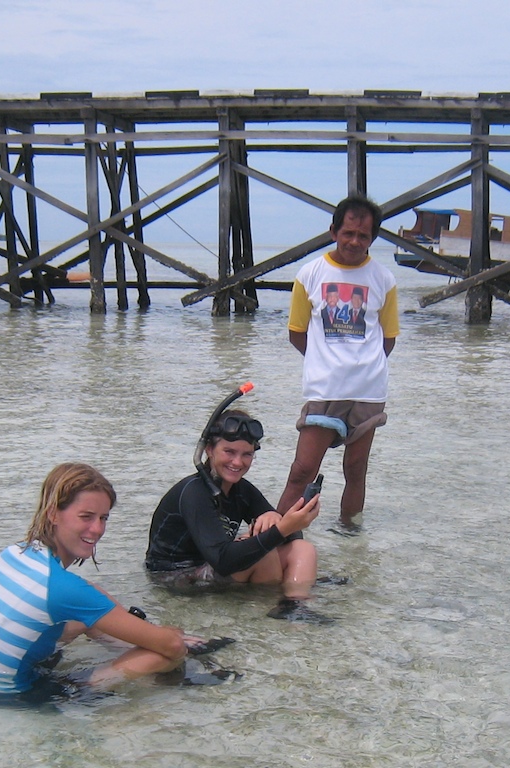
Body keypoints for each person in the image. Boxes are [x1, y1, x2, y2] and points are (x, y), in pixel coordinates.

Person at [0, 463, 225, 702]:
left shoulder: (14, 553)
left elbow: (84, 599)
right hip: (13, 697)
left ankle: (144, 640)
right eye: (86, 517)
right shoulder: (63, 587)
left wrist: (144, 631)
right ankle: (86, 686)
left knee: (91, 611)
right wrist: (170, 638)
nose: (97, 529)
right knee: (164, 653)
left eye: (103, 518)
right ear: (53, 514)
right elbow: (171, 647)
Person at [276, 194, 400, 530]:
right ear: (333, 232)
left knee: (356, 470)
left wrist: (363, 366)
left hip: (368, 391)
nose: (354, 241)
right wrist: (325, 362)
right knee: (303, 470)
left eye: (363, 236)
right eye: (348, 233)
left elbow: (388, 338)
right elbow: (296, 332)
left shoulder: (383, 279)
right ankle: (275, 535)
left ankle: (350, 537)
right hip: (325, 388)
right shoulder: (310, 274)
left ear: (372, 238)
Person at [145, 409, 329, 623]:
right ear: (209, 450)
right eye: (229, 452)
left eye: (246, 454)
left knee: (303, 549)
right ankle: (267, 607)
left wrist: (275, 517)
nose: (237, 462)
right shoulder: (194, 492)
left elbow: (290, 537)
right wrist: (282, 528)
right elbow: (223, 561)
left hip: (217, 566)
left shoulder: (242, 490)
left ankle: (294, 605)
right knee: (263, 550)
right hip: (176, 578)